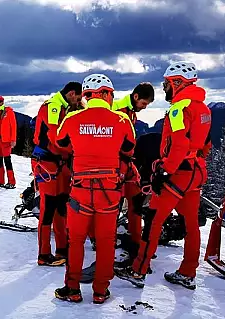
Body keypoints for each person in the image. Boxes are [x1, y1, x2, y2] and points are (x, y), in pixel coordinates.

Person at [124, 61, 212, 290]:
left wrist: (164, 172)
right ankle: (188, 272)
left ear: (178, 83)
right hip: (195, 171)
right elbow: (206, 144)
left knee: (153, 221)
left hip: (178, 173)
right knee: (191, 224)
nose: (164, 89)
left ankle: (138, 270)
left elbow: (179, 145)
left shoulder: (178, 109)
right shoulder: (204, 108)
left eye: (166, 84)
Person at [53, 74, 136, 304]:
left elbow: (60, 143)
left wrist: (82, 144)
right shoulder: (122, 120)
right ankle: (100, 291)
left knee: (76, 241)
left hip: (80, 189)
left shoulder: (73, 118)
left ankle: (72, 289)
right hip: (109, 191)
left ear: (87, 95)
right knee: (106, 241)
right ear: (108, 94)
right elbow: (129, 149)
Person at [32, 82, 83, 267]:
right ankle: (43, 254)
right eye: (78, 98)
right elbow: (56, 138)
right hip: (46, 163)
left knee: (62, 205)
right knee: (48, 207)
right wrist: (78, 149)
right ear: (71, 94)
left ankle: (62, 249)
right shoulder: (53, 107)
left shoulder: (64, 107)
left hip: (59, 164)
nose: (79, 102)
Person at [111, 83, 155, 267]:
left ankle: (136, 243)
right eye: (144, 103)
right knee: (115, 203)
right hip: (116, 164)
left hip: (127, 163)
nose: (145, 107)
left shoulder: (130, 111)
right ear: (136, 97)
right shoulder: (119, 109)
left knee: (135, 202)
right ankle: (108, 241)